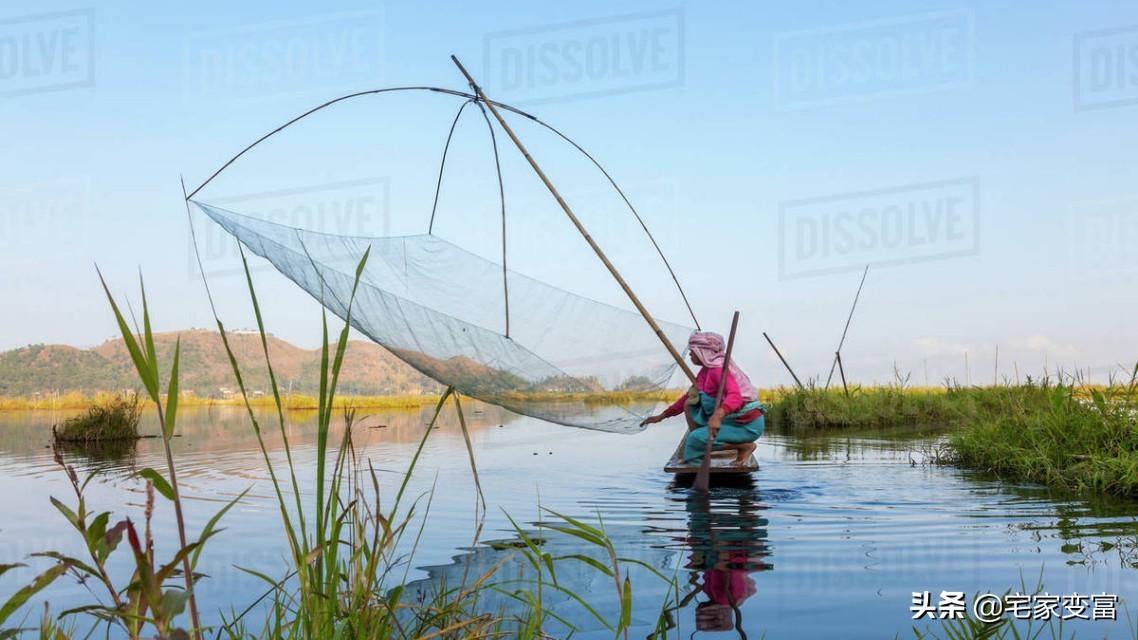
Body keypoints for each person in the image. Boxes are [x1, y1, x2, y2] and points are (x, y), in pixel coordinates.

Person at [641, 332, 765, 465]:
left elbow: (735, 396)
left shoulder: (718, 370)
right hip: (731, 421)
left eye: (692, 351)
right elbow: (688, 397)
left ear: (702, 352)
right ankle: (710, 446)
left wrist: (717, 416)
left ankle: (742, 446)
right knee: (690, 405)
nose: (690, 355)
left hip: (745, 425)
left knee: (694, 440)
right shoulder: (705, 372)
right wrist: (662, 416)